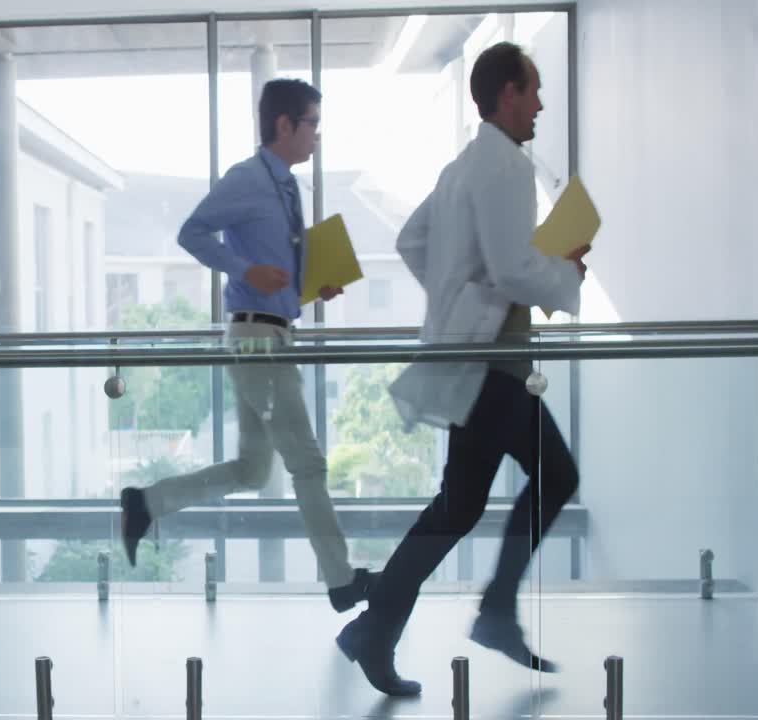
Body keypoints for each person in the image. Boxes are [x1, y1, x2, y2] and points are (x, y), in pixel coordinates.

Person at [335, 42, 588, 696]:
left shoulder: (460, 167)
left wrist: (454, 298)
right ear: (506, 93)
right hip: (494, 363)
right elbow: (510, 269)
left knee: (459, 505)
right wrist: (565, 271)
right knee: (556, 474)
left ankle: (375, 630)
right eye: (532, 91)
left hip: (475, 360)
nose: (538, 105)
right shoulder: (502, 166)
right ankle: (496, 612)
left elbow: (412, 241)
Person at [119, 78, 374, 612]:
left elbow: (274, 274)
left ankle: (147, 503)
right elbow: (192, 233)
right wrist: (244, 268)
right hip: (256, 338)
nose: (317, 137)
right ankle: (341, 580)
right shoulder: (248, 179)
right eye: (312, 124)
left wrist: (312, 284)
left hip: (273, 330)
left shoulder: (287, 188)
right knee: (306, 463)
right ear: (284, 125)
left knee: (254, 470)